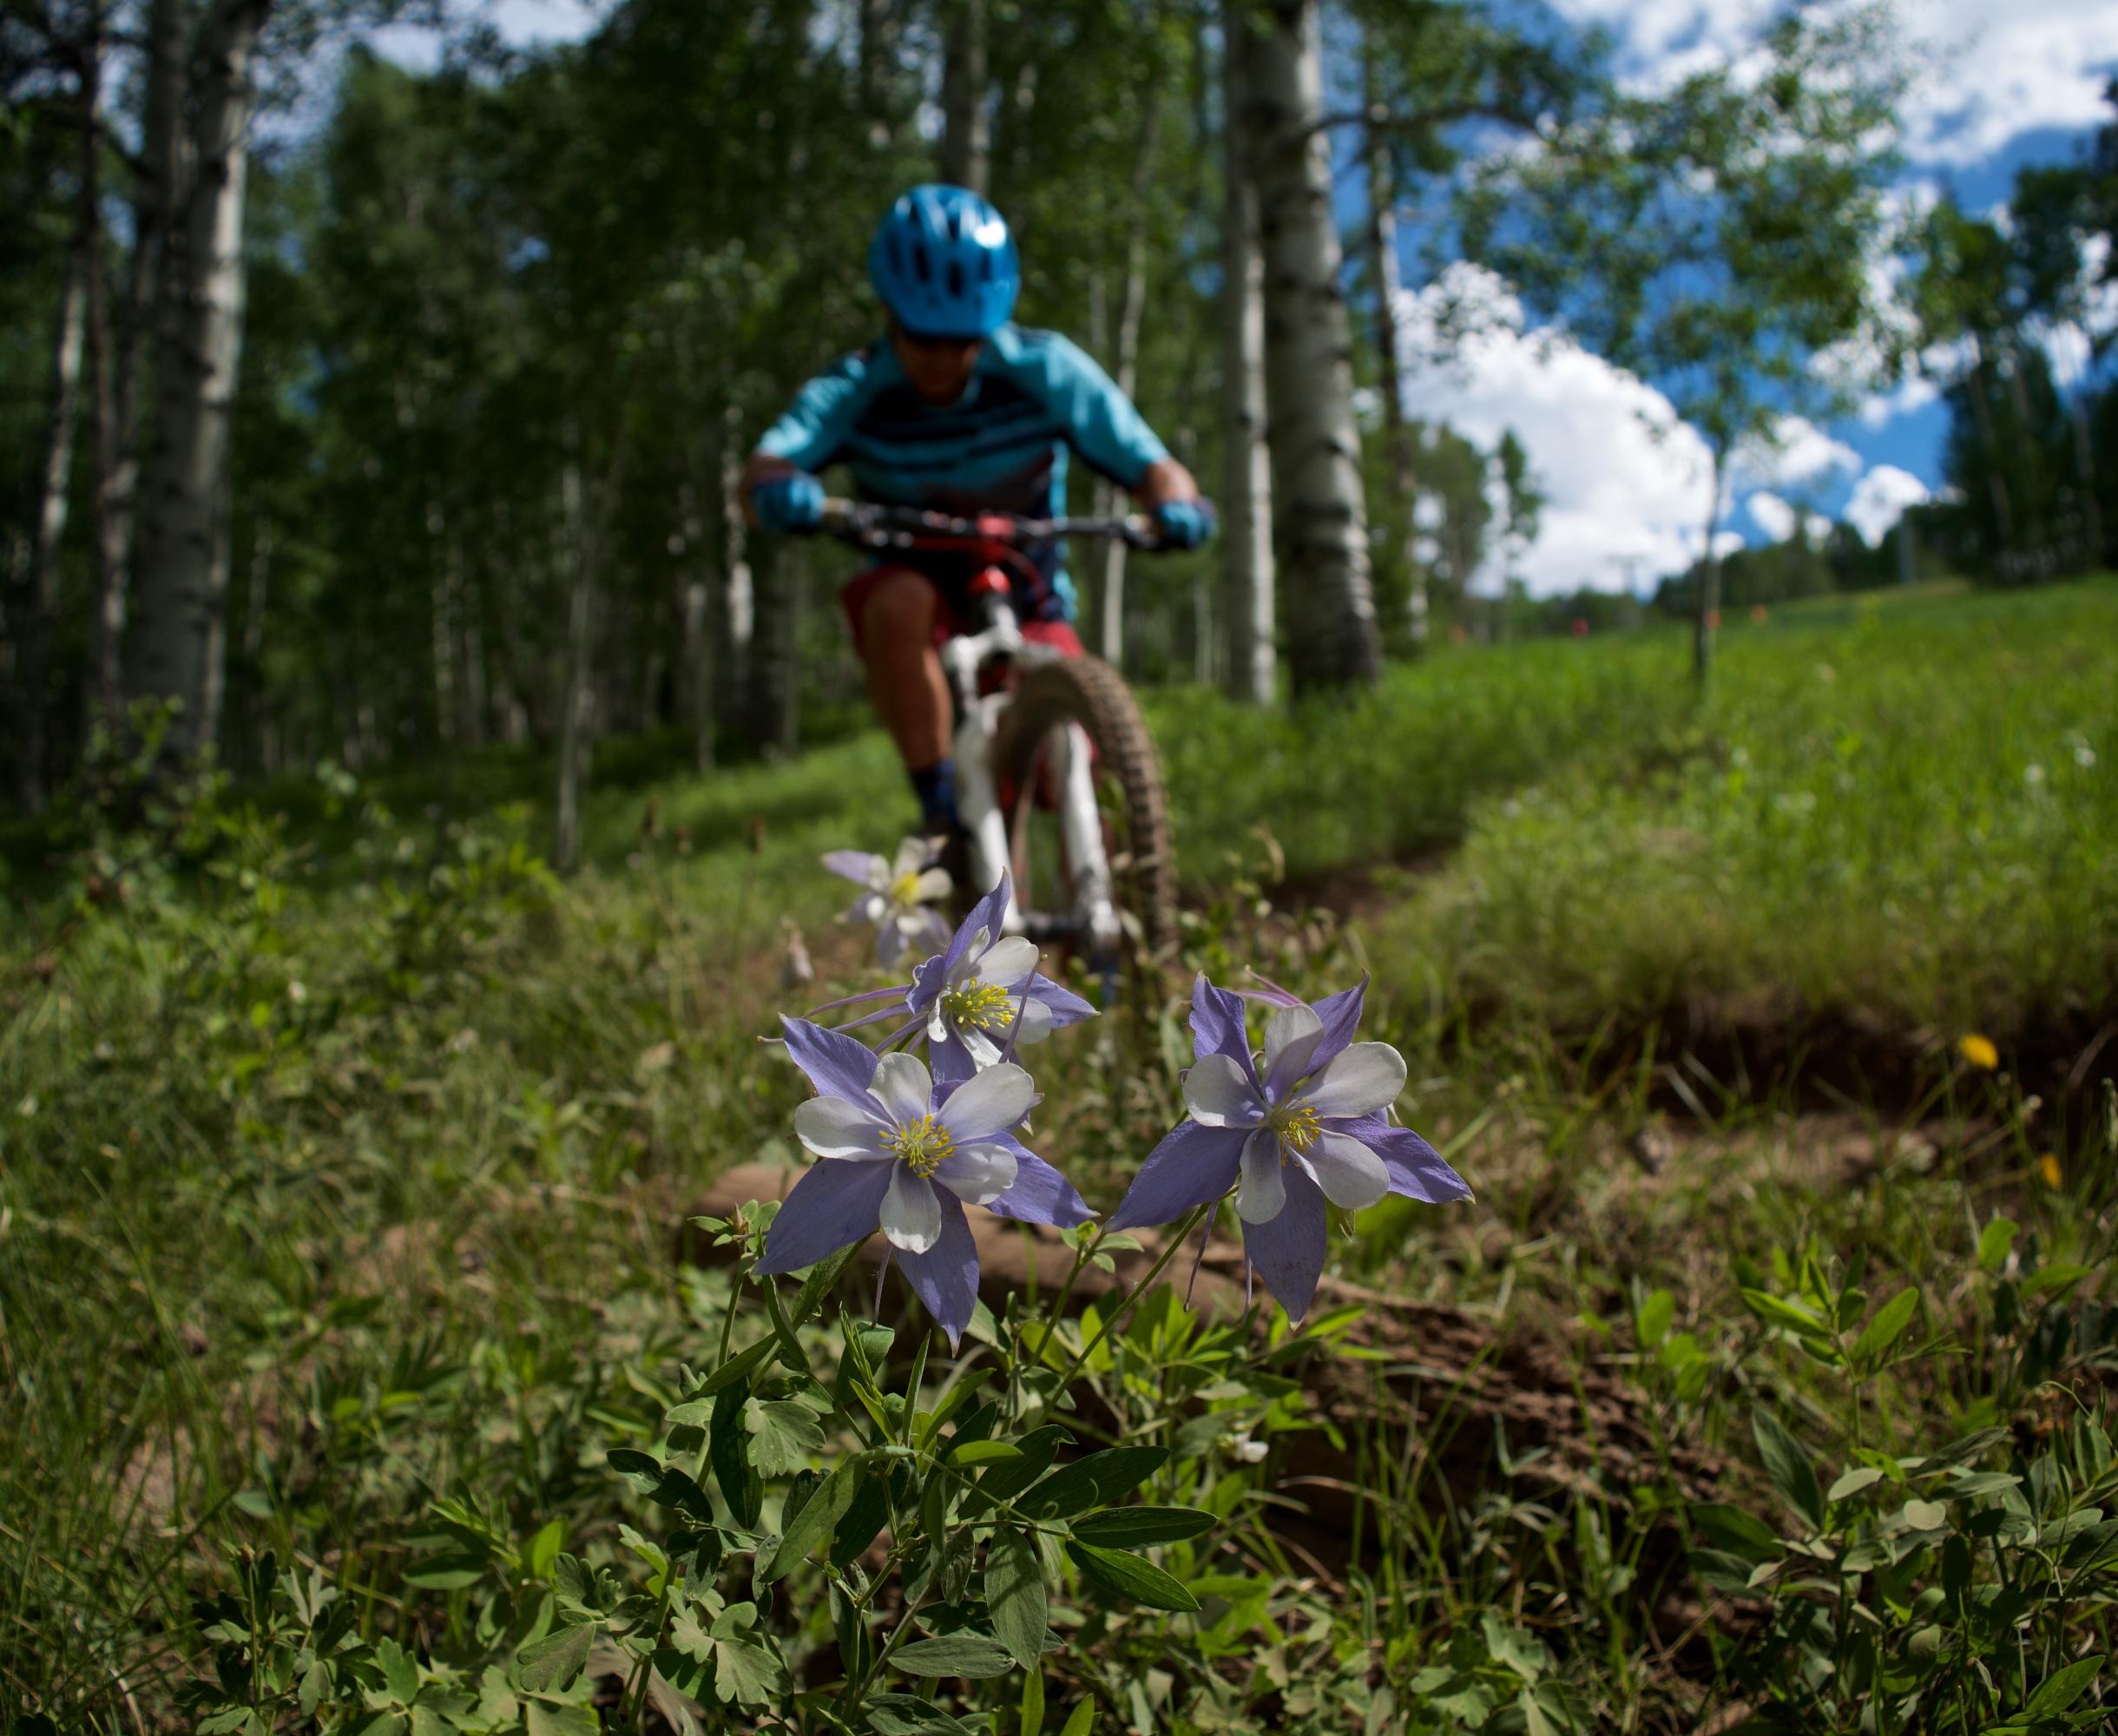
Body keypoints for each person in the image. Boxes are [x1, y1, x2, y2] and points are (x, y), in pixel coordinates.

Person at [740, 183, 1211, 838]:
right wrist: (776, 490)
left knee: (1087, 764)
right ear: (887, 313)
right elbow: (768, 465)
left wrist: (1175, 502)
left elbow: (1150, 463)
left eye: (964, 340)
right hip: (921, 592)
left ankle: (1115, 900)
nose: (944, 359)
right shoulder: (854, 388)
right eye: (923, 338)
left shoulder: (1044, 369)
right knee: (896, 602)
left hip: (1030, 587)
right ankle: (941, 813)